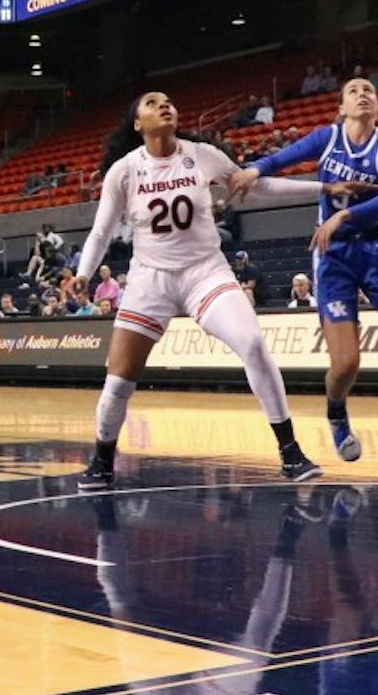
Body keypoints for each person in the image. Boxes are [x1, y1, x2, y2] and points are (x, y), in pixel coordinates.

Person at [71, 91, 359, 490]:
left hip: (205, 272)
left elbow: (255, 187)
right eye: (152, 104)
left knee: (254, 345)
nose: (165, 105)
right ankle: (102, 460)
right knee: (119, 381)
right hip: (149, 280)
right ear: (138, 124)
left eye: (169, 101)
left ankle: (290, 451)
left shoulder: (202, 154)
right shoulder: (124, 171)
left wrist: (322, 189)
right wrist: (84, 274)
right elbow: (101, 231)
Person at [233, 78, 378, 474]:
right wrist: (252, 170)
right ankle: (337, 416)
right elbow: (281, 158)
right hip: (335, 257)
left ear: (377, 107)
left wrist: (343, 213)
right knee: (345, 365)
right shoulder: (328, 138)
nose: (363, 94)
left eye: (369, 91)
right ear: (342, 107)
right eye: (353, 91)